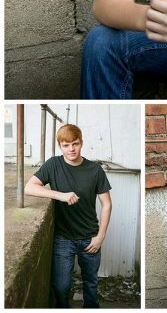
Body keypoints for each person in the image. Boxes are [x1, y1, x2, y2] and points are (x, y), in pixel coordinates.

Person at [24, 124, 112, 308]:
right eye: (66, 145)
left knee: (91, 284)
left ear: (81, 143)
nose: (71, 149)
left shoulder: (95, 170)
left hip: (90, 237)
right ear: (60, 146)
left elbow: (107, 204)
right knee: (61, 287)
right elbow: (29, 187)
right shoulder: (53, 164)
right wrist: (60, 195)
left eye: (75, 143)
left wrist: (100, 237)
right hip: (63, 239)